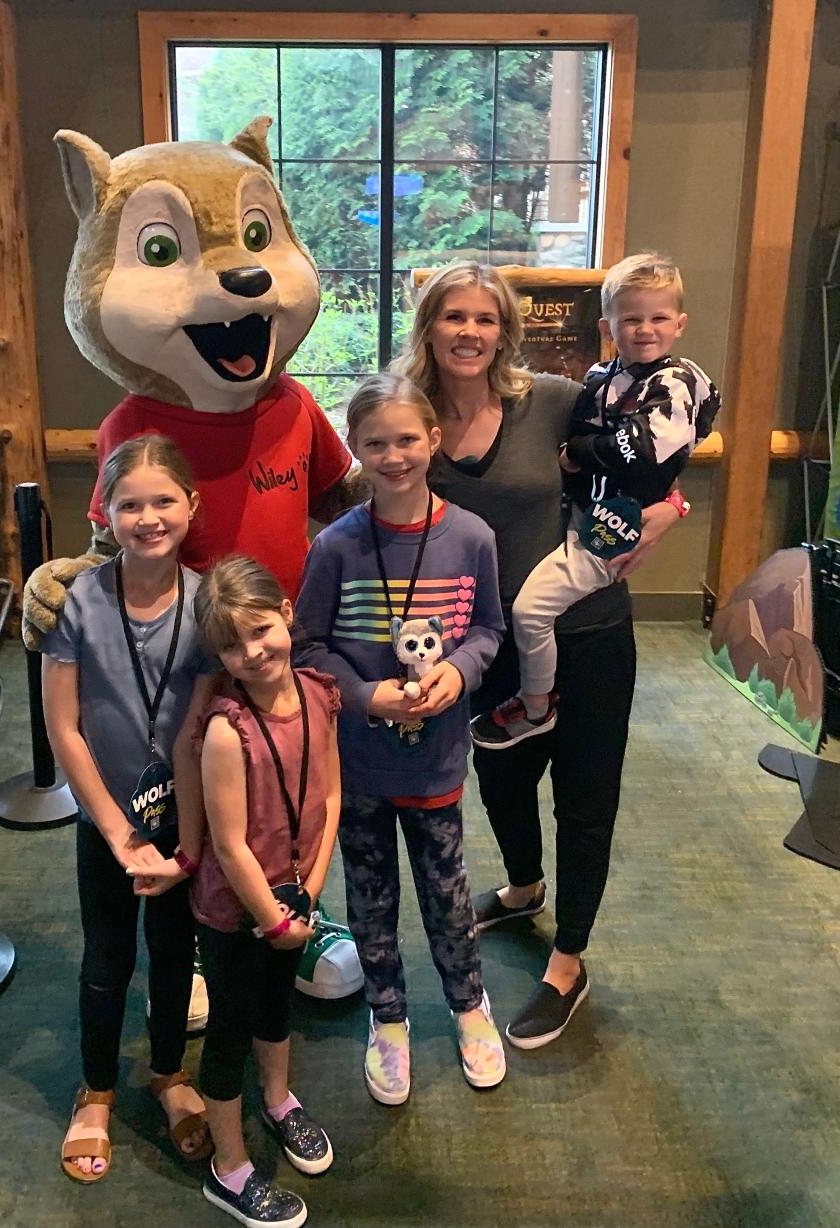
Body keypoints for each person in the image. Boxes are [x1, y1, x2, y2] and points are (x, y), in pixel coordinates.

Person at [392, 260, 682, 1051]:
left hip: (585, 631)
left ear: (504, 332)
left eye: (485, 320)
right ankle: (523, 889)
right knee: (502, 780)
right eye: (454, 317)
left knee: (585, 796)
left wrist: (660, 520)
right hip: (481, 644)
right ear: (430, 326)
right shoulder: (411, 417)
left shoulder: (552, 403)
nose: (470, 333)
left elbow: (657, 462)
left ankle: (568, 959)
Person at [296, 372, 507, 1105]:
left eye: (407, 439)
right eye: (376, 443)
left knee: (447, 892)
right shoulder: (335, 547)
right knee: (372, 895)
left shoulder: (471, 537)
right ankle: (388, 1017)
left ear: (434, 440)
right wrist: (360, 695)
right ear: (354, 448)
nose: (394, 456)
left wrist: (460, 672)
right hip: (357, 761)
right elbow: (308, 645)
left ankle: (468, 1006)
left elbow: (489, 630)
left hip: (439, 759)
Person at [134, 555, 341, 1228]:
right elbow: (229, 845)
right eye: (231, 644)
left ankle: (278, 1099)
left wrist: (307, 893)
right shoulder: (226, 730)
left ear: (286, 614)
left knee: (277, 1007)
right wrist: (275, 921)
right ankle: (229, 1172)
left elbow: (331, 795)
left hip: (292, 902)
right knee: (228, 1031)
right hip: (236, 915)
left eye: (260, 630)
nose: (252, 652)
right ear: (217, 653)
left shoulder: (317, 694)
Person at [41, 434, 211, 1183]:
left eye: (163, 501)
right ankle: (97, 1089)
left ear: (192, 506)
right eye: (130, 504)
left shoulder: (208, 602)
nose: (148, 517)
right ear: (105, 513)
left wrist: (190, 844)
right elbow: (64, 727)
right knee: (107, 955)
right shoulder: (79, 600)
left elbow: (206, 730)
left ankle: (170, 1075)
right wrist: (114, 829)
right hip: (104, 822)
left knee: (176, 954)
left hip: (183, 822)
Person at [471, 252, 721, 748]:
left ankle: (537, 704)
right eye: (631, 319)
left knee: (531, 612)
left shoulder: (675, 381)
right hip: (582, 514)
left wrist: (586, 454)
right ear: (609, 325)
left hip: (609, 526)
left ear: (680, 323)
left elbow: (644, 452)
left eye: (658, 318)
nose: (645, 330)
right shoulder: (601, 377)